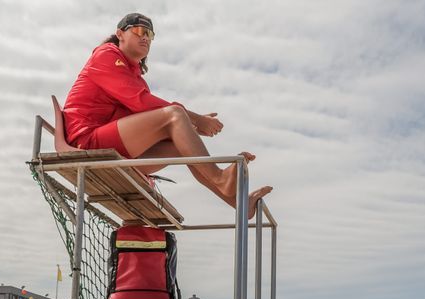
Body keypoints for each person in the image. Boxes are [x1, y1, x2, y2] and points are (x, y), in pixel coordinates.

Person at [62, 13, 273, 218]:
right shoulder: (106, 55)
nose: (145, 37)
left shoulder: (133, 73)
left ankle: (238, 203)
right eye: (138, 31)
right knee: (175, 115)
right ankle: (219, 177)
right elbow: (142, 102)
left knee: (183, 145)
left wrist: (190, 126)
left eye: (150, 34)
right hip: (85, 142)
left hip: (109, 145)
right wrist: (195, 119)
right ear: (120, 34)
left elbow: (144, 114)